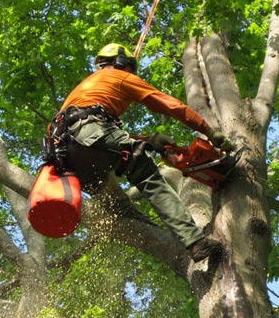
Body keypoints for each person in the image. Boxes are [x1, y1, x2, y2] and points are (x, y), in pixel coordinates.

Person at [46, 43, 232, 262]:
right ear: (122, 62)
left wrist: (150, 142)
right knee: (146, 174)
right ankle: (194, 241)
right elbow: (169, 105)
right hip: (90, 133)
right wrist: (208, 130)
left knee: (119, 203)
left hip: (68, 158)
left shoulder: (86, 91)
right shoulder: (120, 76)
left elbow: (104, 137)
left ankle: (143, 226)